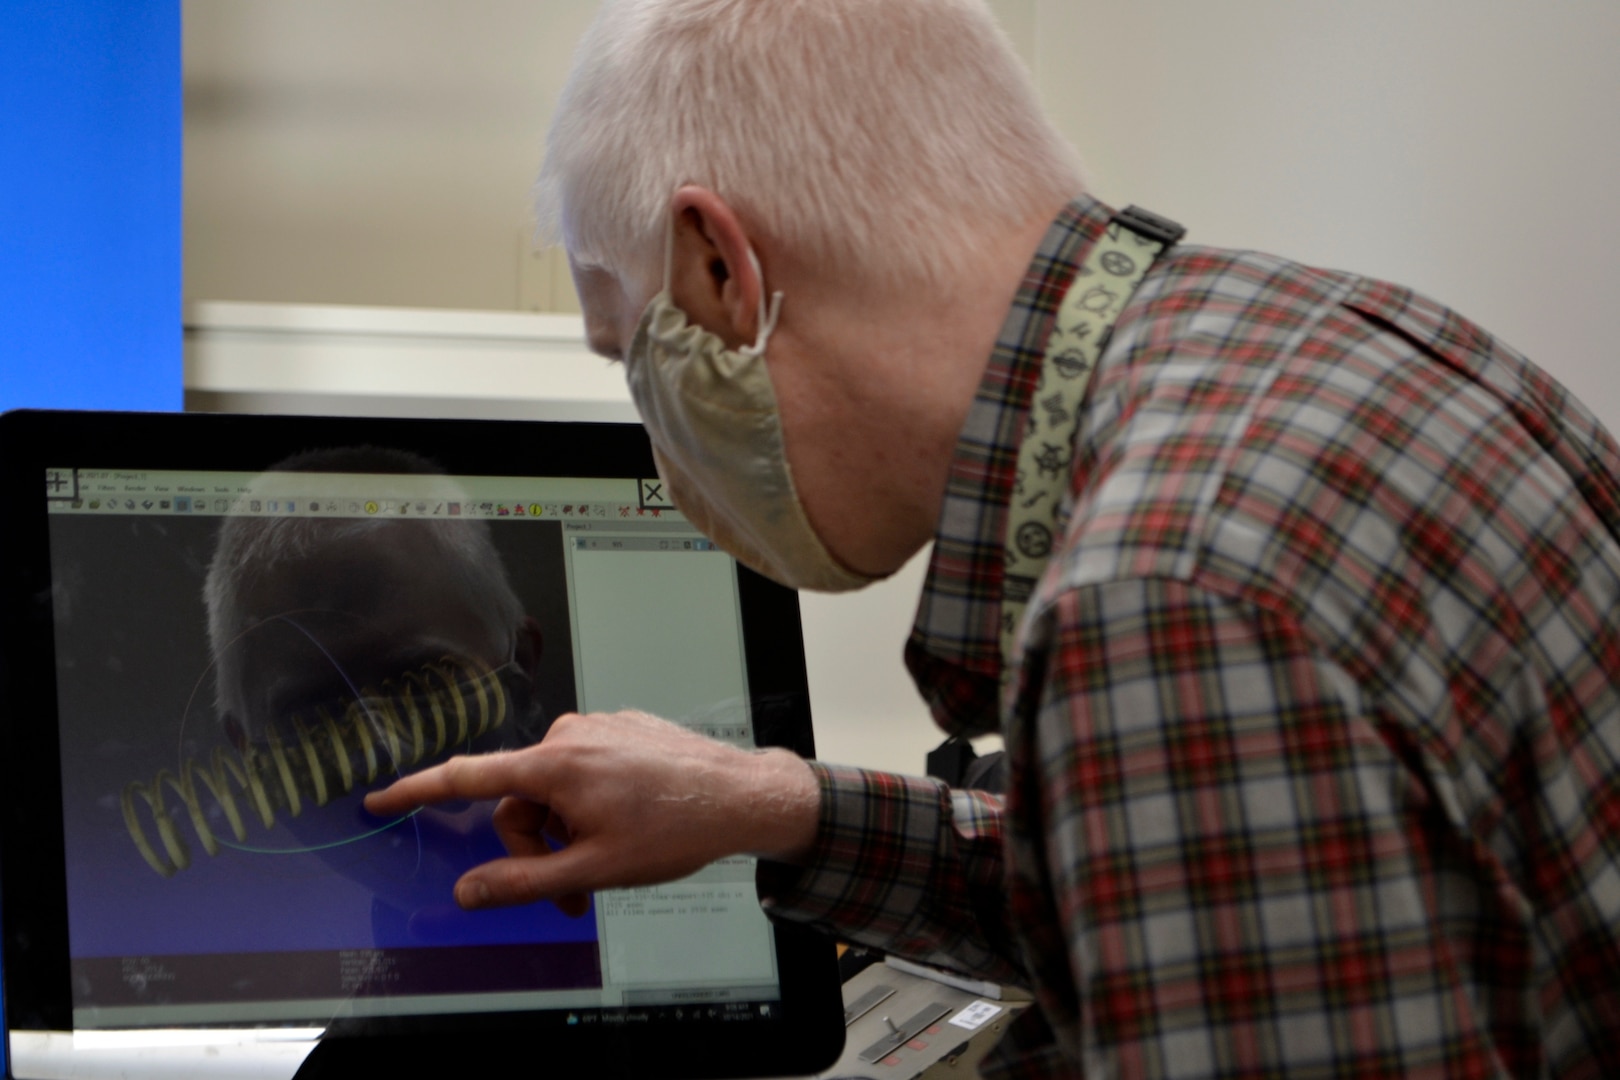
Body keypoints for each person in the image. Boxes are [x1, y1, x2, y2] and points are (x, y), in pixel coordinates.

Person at [366, 0, 1620, 1074]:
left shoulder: (1160, 601)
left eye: (629, 356)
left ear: (720, 272)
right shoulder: (1307, 339)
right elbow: (1195, 894)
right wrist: (775, 805)